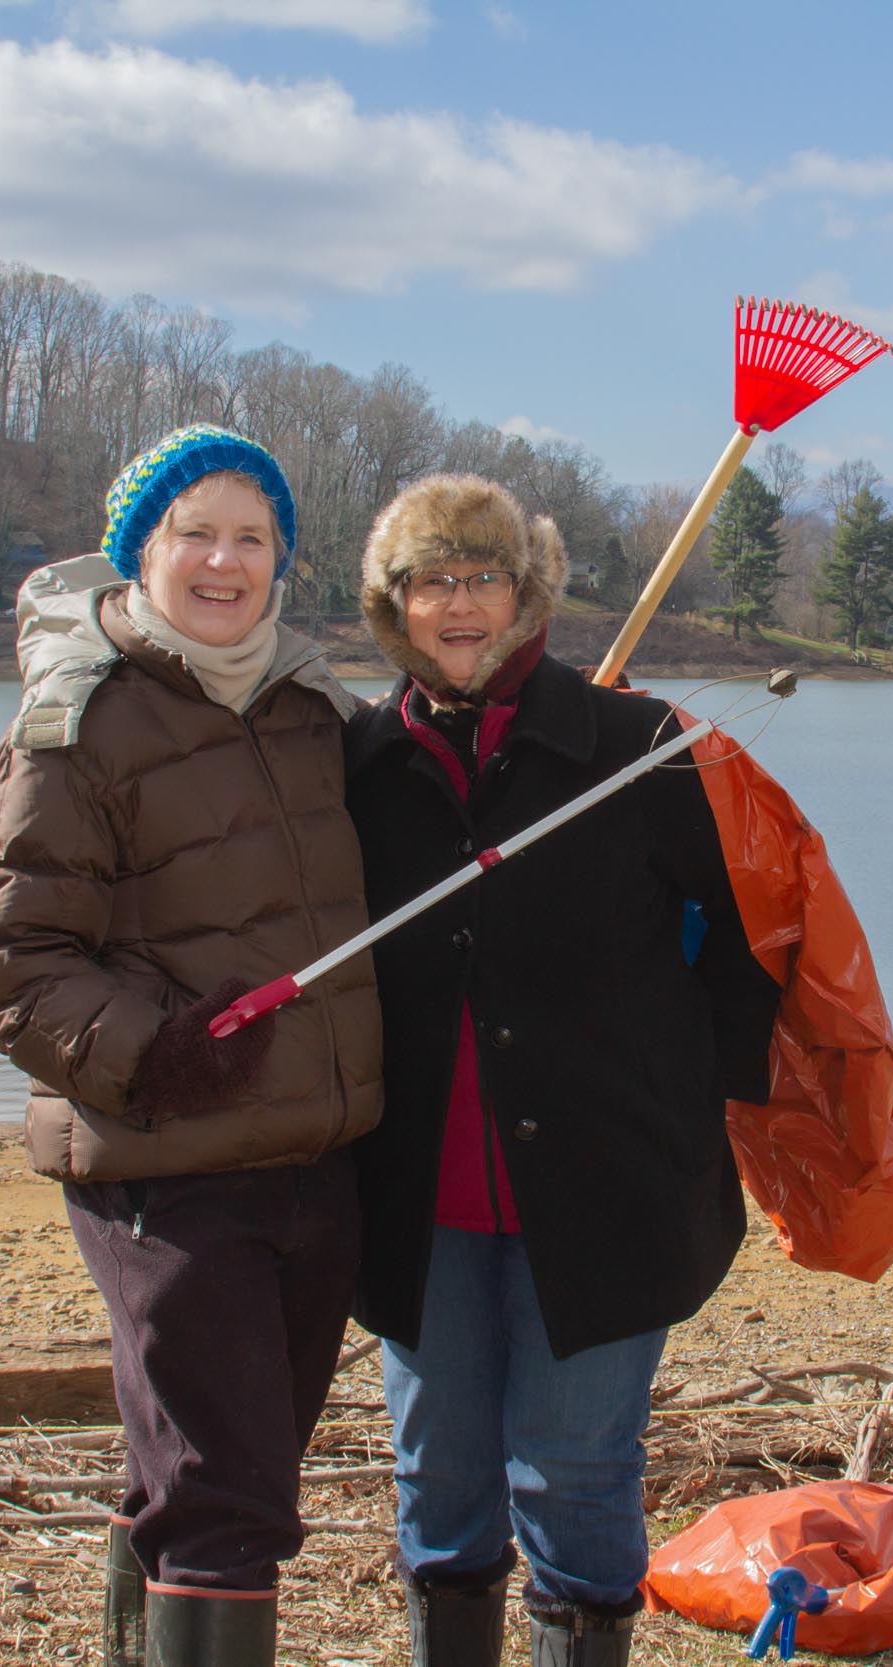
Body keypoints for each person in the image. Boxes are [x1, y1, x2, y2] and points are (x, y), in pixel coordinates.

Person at [0, 425, 382, 1667]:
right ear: (140, 548)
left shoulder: (316, 714)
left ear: (280, 563)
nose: (222, 559)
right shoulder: (78, 720)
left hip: (318, 1163)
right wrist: (152, 1053)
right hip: (168, 1165)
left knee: (218, 1473)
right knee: (228, 1498)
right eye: (195, 530)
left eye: (252, 537)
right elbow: (10, 957)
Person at [343, 475, 782, 1667]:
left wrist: (703, 1107)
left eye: (485, 575)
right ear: (394, 604)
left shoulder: (636, 747)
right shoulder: (360, 760)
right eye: (431, 579)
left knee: (580, 1465)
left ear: (527, 591)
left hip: (607, 1187)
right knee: (437, 1469)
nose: (460, 603)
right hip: (417, 1195)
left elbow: (749, 947)